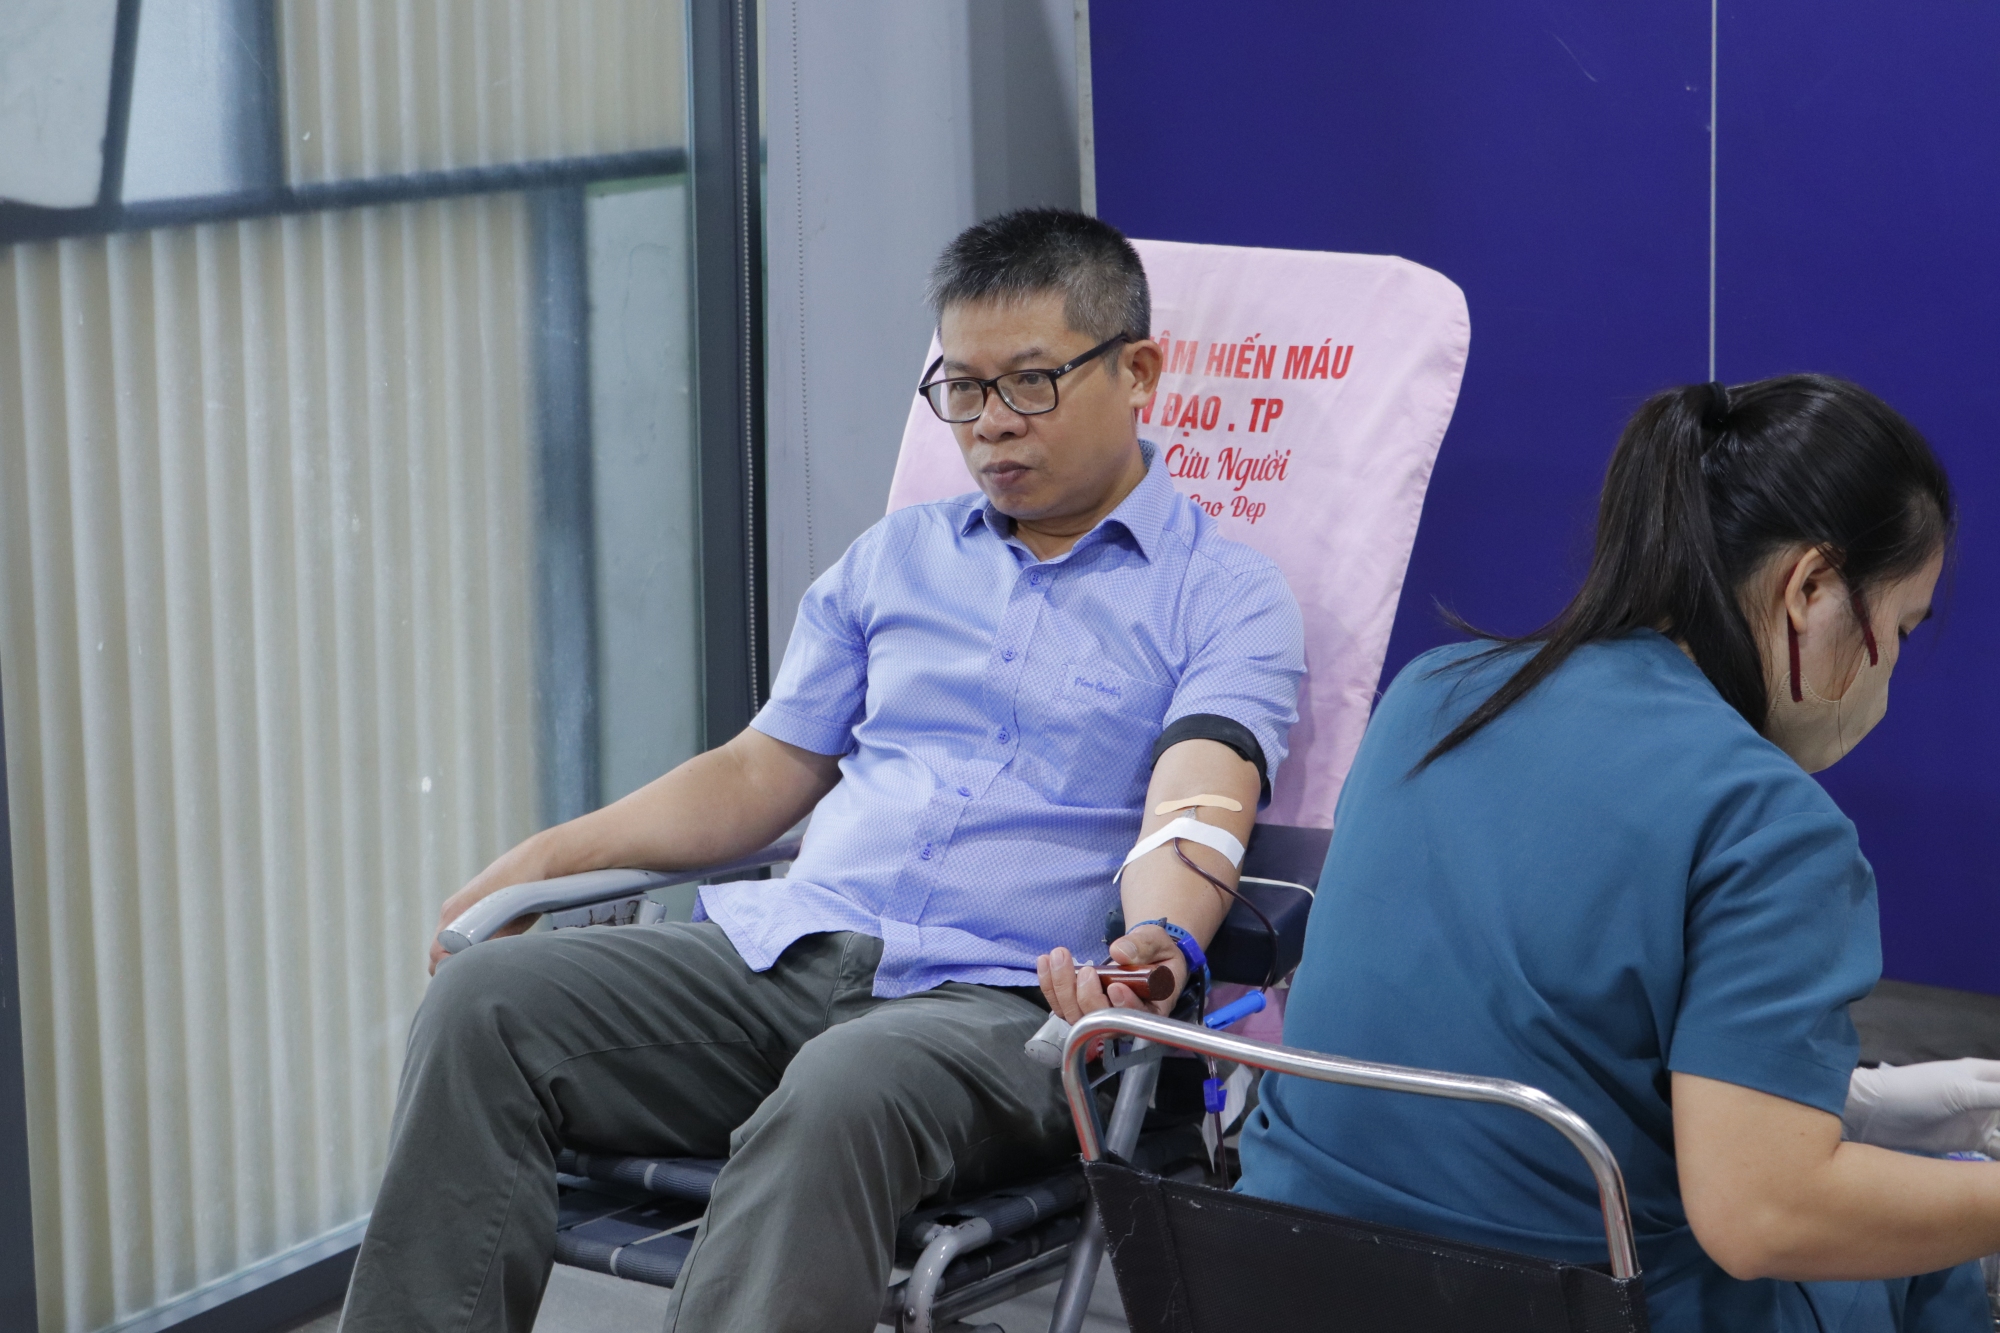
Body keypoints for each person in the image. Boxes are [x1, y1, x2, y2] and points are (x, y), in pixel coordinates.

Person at [338, 207, 1304, 1333]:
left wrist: (1160, 941)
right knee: (484, 1003)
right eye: (962, 389)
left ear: (1136, 372)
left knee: (844, 1087)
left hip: (1001, 1010)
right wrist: (542, 860)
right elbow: (760, 770)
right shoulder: (894, 559)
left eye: (1030, 383)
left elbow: (1199, 797)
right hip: (790, 957)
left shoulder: (1222, 596)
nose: (991, 423)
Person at [1233, 375, 2000, 1331]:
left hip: (1272, 1277)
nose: (1890, 670)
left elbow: (1529, 1035)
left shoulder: (1435, 695)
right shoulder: (1771, 821)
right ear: (1810, 588)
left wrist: (1844, 1105)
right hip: (1561, 1306)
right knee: (1930, 1256)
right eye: (1900, 628)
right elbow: (1762, 1215)